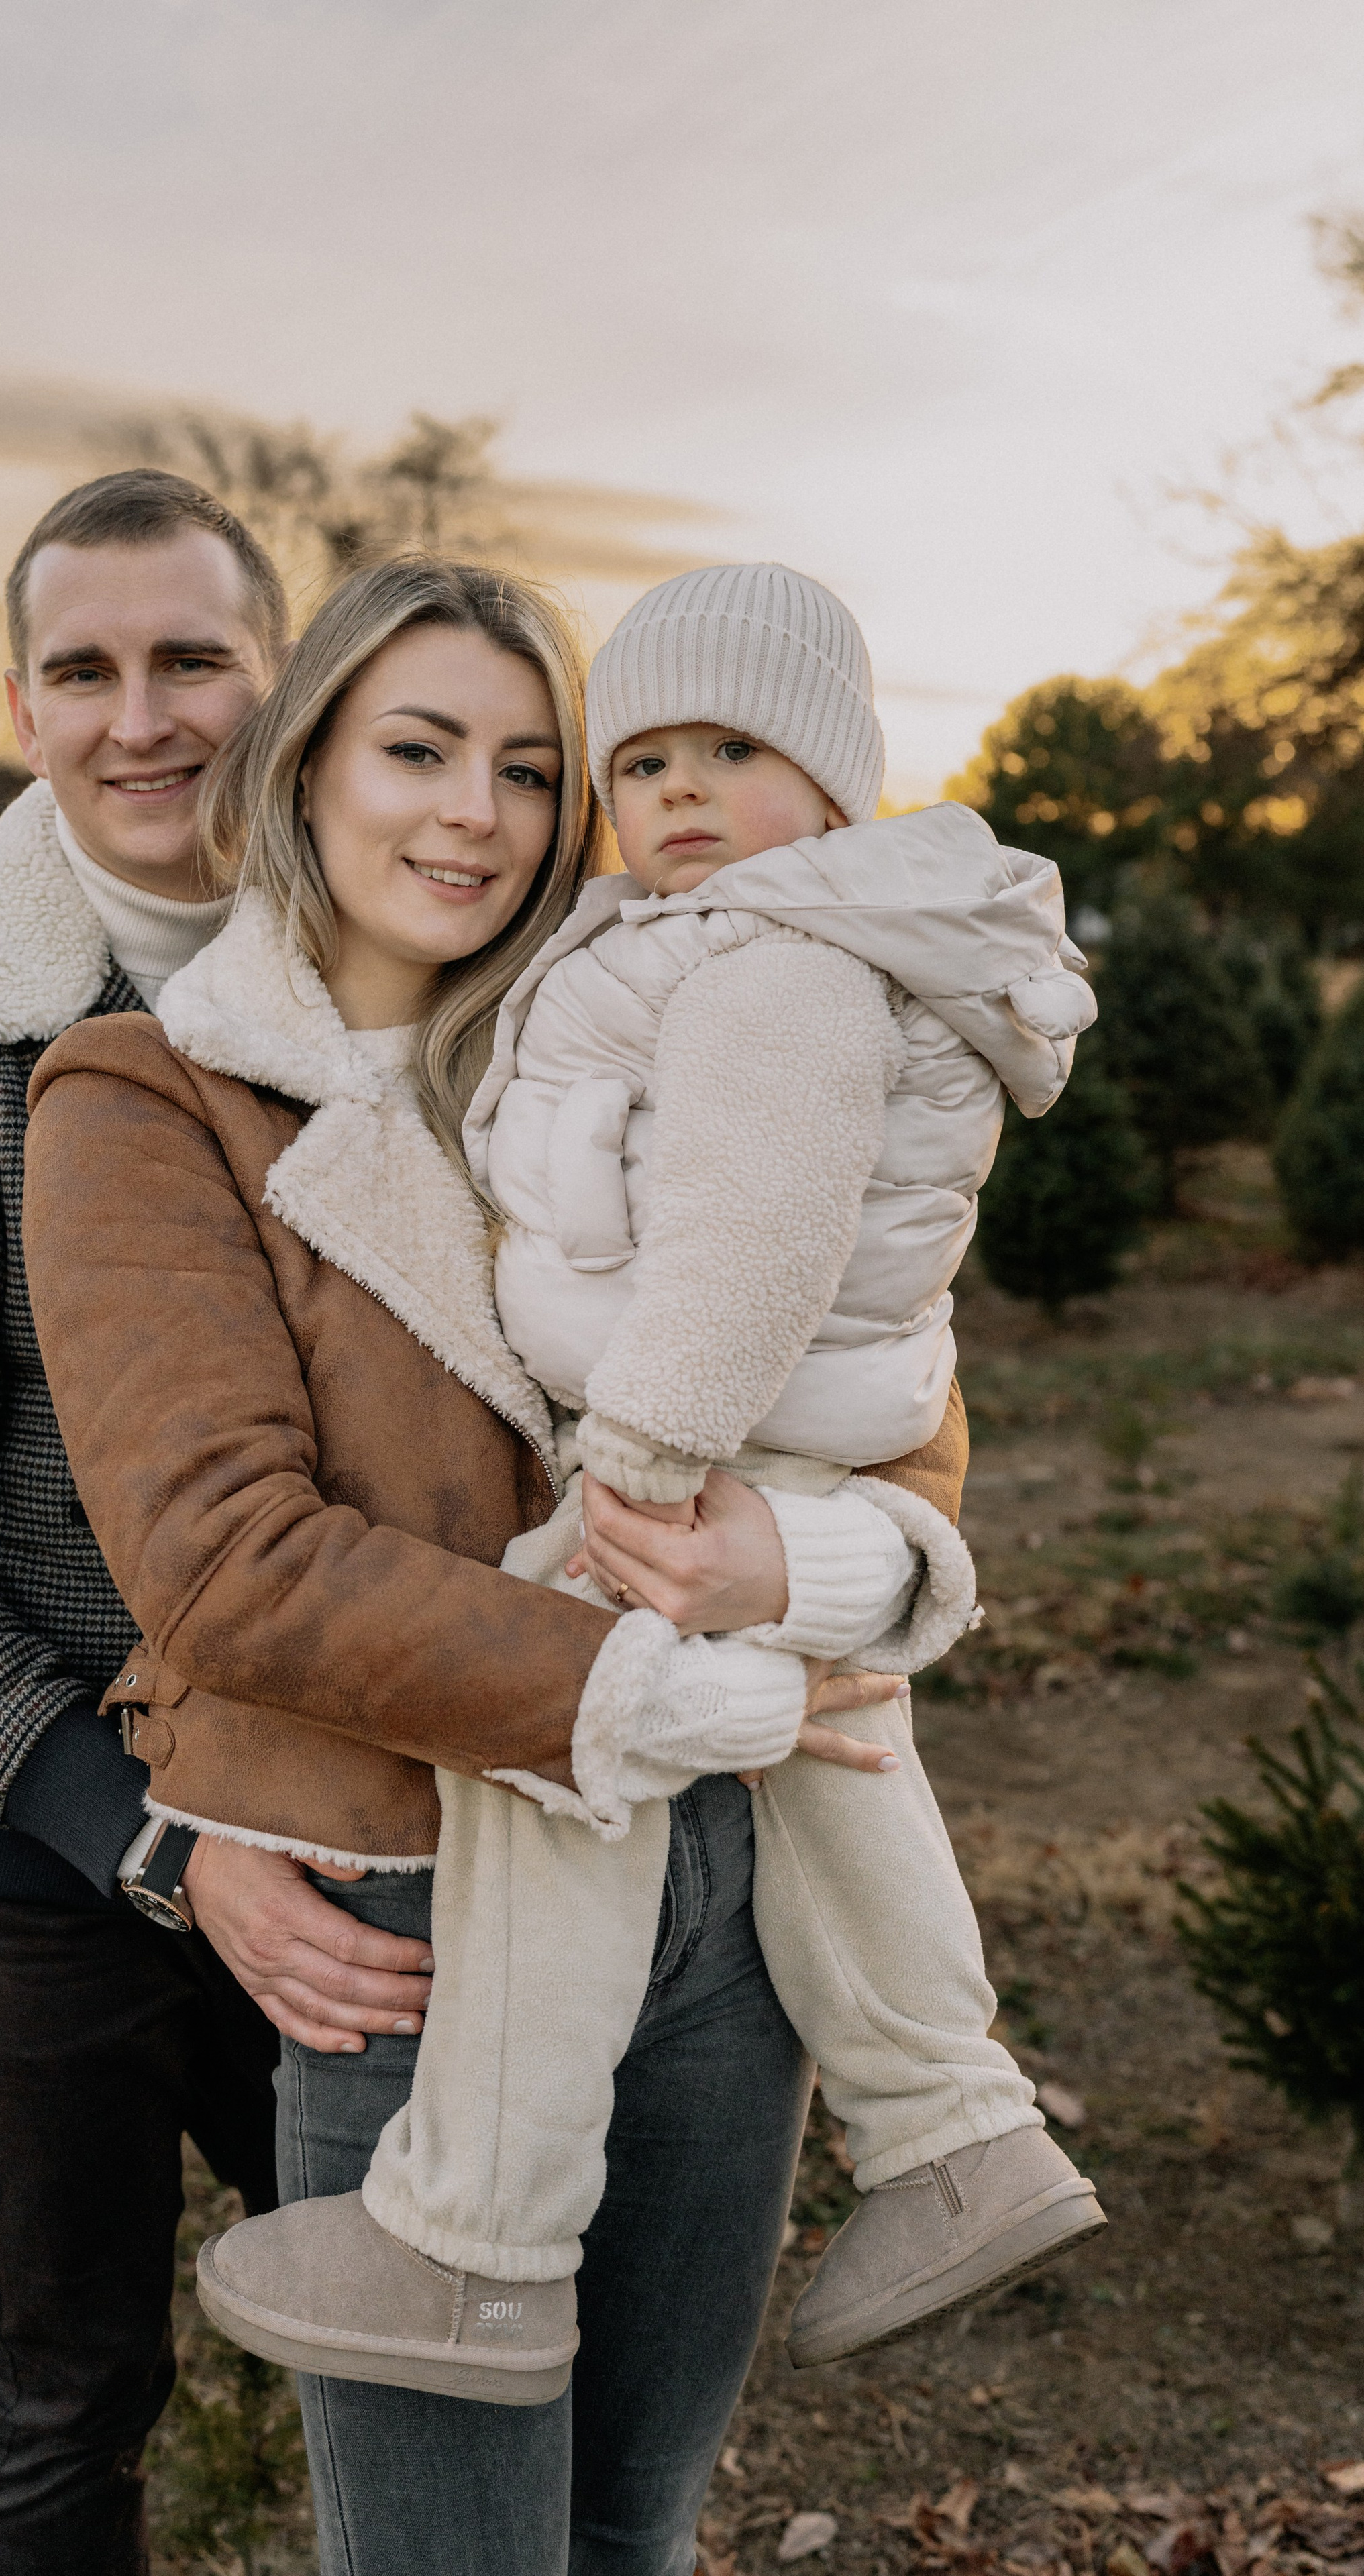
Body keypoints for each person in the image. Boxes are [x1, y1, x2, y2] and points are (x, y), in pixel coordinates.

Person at [20, 555, 974, 2576]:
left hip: (727, 1890)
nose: (475, 811)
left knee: (634, 2525)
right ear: (305, 772)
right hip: (418, 1914)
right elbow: (225, 1559)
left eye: (530, 769)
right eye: (418, 750)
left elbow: (882, 1390)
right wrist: (653, 1681)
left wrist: (799, 1571)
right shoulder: (151, 1101)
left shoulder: (630, 1041)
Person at [199, 564, 1107, 2406]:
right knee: (837, 1766)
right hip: (762, 1445)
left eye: (737, 751)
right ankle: (956, 2132)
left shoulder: (771, 957)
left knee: (553, 1758)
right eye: (650, 760)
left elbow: (750, 1246)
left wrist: (638, 1467)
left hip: (699, 1437)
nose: (681, 792)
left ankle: (474, 2238)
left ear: (840, 787)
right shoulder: (700, 939)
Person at [0, 468, 440, 2576]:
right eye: (85, 670)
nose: (143, 719)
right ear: (24, 705)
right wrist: (149, 1838)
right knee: (69, 2377)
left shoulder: (415, 1002)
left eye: (194, 662)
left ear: (288, 684)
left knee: (431, 2330)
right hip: (39, 1845)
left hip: (372, 1812)